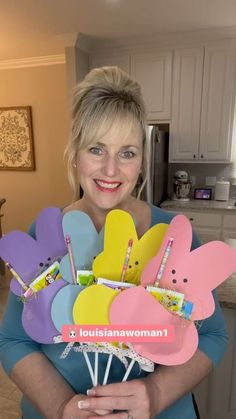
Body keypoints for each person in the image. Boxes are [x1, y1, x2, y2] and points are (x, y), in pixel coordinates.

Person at [0, 66, 228, 419]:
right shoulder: (43, 235)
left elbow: (212, 335)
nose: (110, 170)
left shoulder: (172, 236)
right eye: (96, 149)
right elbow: (14, 340)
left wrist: (155, 392)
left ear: (141, 162)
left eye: (127, 153)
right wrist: (61, 406)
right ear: (75, 153)